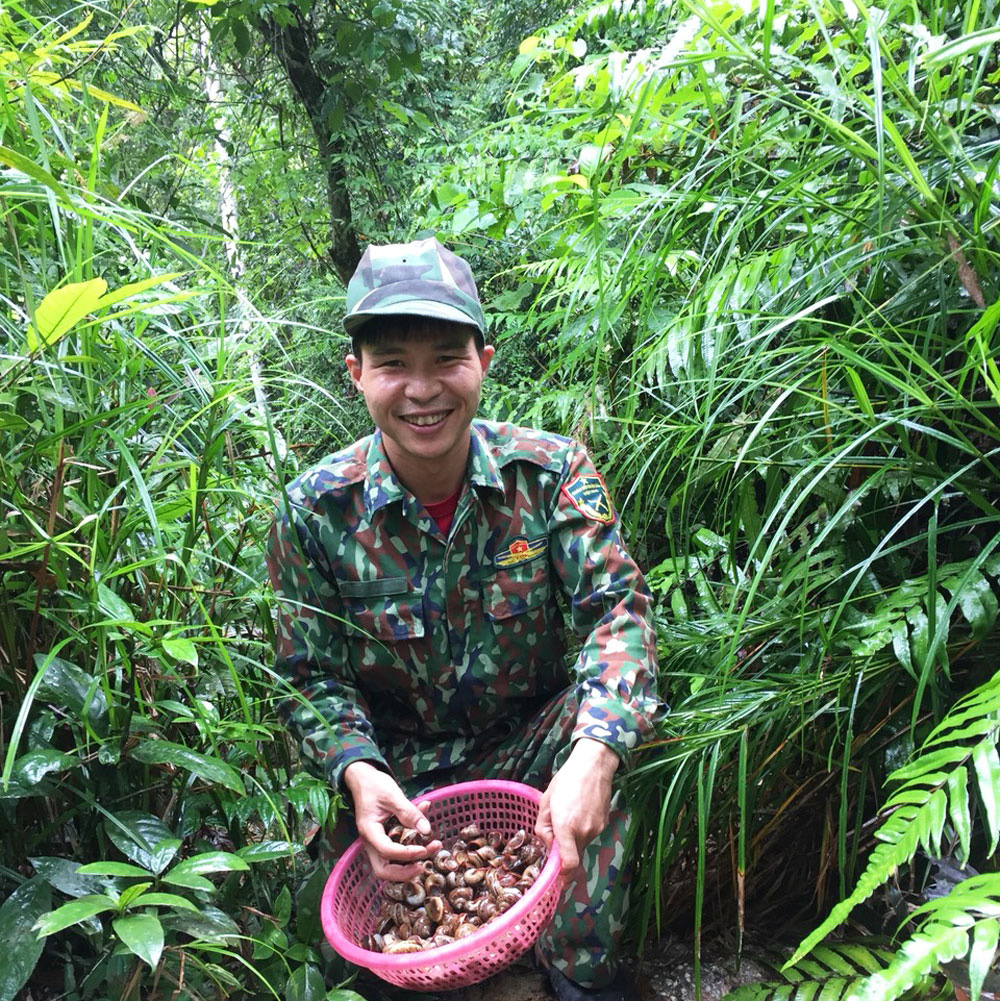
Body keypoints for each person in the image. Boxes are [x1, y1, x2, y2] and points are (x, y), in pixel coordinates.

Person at [266, 237, 665, 1001]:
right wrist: (357, 769)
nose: (422, 390)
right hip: (401, 779)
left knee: (623, 728)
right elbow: (307, 673)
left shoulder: (549, 475)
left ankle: (581, 976)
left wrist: (593, 753)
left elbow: (619, 615)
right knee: (386, 961)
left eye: (446, 357)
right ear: (356, 375)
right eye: (392, 364)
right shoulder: (313, 512)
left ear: (485, 358)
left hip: (531, 748)